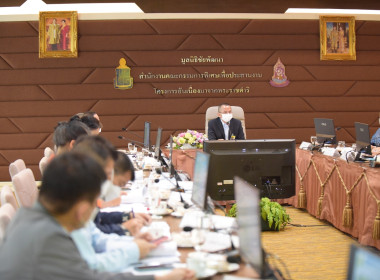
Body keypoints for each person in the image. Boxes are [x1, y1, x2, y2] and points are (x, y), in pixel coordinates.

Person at [0, 152, 193, 280]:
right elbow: (93, 275)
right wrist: (160, 278)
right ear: (82, 207)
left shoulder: (37, 215)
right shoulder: (48, 235)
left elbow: (94, 239)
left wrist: (131, 243)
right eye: (95, 202)